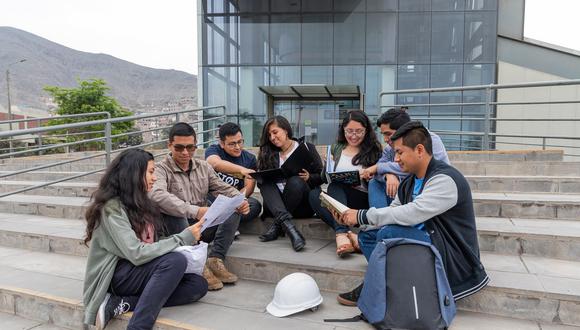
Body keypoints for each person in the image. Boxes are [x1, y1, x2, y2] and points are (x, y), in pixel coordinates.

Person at [332, 121, 488, 306]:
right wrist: (354, 221)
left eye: (399, 152)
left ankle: (377, 285)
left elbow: (411, 213)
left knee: (388, 233)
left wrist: (361, 215)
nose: (396, 160)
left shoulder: (446, 179)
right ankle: (395, 281)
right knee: (367, 236)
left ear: (420, 150)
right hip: (423, 240)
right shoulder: (409, 182)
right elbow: (393, 210)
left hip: (450, 253)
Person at [83, 149, 208, 330]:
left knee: (197, 285)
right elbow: (136, 253)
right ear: (133, 174)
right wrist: (182, 238)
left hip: (140, 270)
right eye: (150, 172)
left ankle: (123, 303)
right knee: (174, 261)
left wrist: (185, 242)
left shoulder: (142, 203)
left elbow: (153, 243)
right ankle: (138, 326)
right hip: (117, 275)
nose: (154, 177)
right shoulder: (112, 209)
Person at [149, 122, 250, 291]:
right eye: (179, 147)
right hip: (177, 230)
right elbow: (158, 196)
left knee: (233, 207)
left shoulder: (203, 167)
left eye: (190, 147)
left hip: (202, 225)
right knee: (175, 213)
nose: (185, 152)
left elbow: (222, 187)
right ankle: (199, 263)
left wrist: (239, 200)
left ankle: (215, 258)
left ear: (196, 146)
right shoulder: (160, 170)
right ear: (170, 145)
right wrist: (195, 211)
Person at [308, 110, 382, 257]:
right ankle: (347, 233)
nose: (353, 136)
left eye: (359, 131)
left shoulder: (374, 149)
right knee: (314, 195)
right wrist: (327, 166)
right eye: (349, 131)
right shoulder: (337, 147)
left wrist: (369, 175)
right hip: (341, 200)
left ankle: (340, 234)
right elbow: (325, 178)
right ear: (343, 130)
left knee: (336, 186)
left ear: (366, 130)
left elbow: (380, 178)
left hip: (362, 199)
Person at [256, 115, 323, 252]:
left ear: (286, 130)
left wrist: (310, 177)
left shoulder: (306, 148)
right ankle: (291, 230)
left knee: (295, 181)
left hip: (301, 205)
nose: (272, 138)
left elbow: (322, 176)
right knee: (264, 181)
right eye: (269, 135)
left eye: (275, 132)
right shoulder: (268, 153)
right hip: (276, 204)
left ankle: (278, 225)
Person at [362, 107, 450, 208]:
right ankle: (379, 222)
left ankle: (382, 221)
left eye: (388, 134)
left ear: (403, 130)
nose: (385, 139)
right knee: (375, 183)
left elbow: (421, 168)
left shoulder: (430, 140)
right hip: (405, 192)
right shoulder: (390, 148)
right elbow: (377, 170)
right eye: (383, 135)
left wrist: (379, 168)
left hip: (428, 193)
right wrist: (388, 175)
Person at [205, 122, 262, 226]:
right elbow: (214, 163)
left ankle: (222, 224)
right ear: (222, 143)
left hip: (234, 199)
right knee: (203, 201)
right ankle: (227, 224)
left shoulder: (250, 159)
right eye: (232, 144)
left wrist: (234, 201)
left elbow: (248, 189)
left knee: (254, 205)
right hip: (213, 198)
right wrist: (241, 170)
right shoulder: (213, 149)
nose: (237, 147)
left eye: (240, 142)